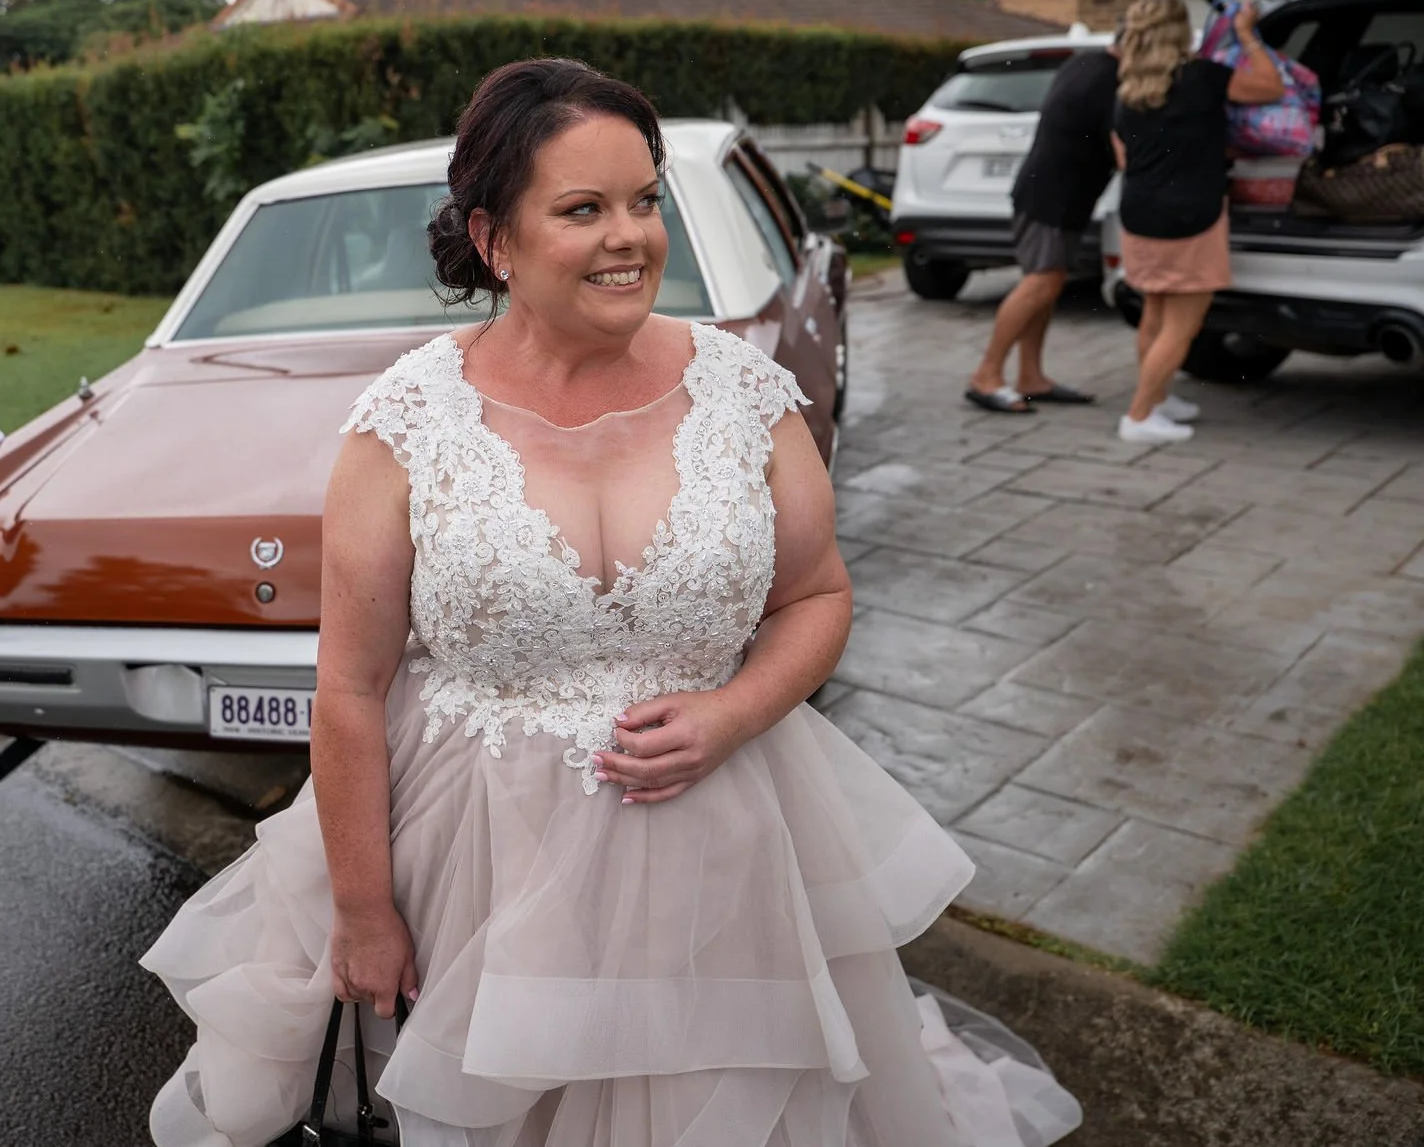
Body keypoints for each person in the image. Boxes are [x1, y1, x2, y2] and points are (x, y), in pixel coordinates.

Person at [141, 61, 1079, 1145]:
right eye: (582, 209)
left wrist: (733, 711)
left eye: (644, 200)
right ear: (494, 238)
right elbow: (348, 688)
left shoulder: (742, 391)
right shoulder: (404, 423)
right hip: (474, 858)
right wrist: (361, 908)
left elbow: (816, 595)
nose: (628, 235)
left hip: (719, 849)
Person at [1111, 0, 1283, 443]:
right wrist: (1246, 33)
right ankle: (1140, 416)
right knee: (1181, 327)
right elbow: (1270, 87)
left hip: (1139, 213)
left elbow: (1126, 156)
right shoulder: (1202, 78)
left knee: (1155, 313)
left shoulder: (1127, 92)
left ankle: (1159, 398)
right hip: (1191, 216)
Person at [964, 40, 1122, 414]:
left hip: (1051, 196)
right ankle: (985, 375)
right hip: (1051, 200)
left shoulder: (1088, 63)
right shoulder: (1106, 80)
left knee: (1045, 284)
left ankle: (1031, 376)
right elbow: (1123, 149)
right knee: (1041, 283)